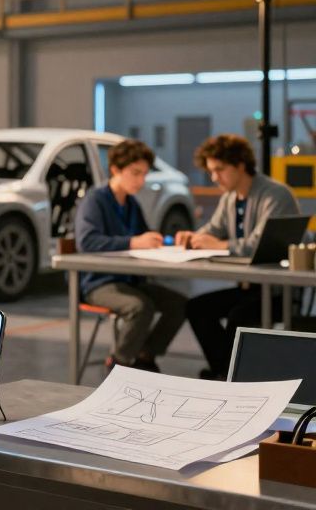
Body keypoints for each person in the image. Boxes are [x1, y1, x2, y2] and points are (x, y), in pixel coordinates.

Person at [177, 134, 301, 378]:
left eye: (219, 170)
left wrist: (219, 244)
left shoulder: (275, 195)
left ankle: (231, 375)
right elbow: (212, 230)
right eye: (211, 171)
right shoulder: (230, 198)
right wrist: (193, 238)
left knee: (239, 316)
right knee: (197, 308)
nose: (214, 177)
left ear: (240, 164)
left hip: (276, 290)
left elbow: (259, 244)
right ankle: (228, 373)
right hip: (248, 288)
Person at [75, 139, 186, 373]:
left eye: (144, 174)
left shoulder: (132, 204)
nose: (141, 180)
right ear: (116, 169)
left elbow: (143, 237)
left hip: (130, 280)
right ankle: (119, 362)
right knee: (140, 307)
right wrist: (134, 241)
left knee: (180, 304)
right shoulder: (95, 200)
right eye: (135, 173)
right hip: (100, 283)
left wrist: (157, 242)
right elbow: (88, 241)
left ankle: (145, 355)